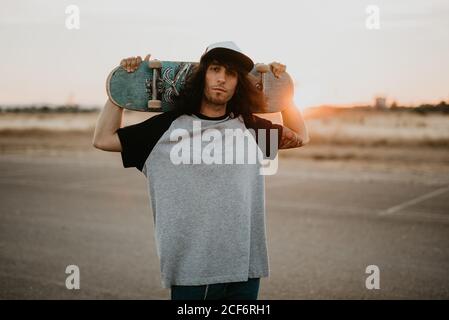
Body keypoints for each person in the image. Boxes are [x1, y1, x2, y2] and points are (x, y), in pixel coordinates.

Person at [93, 41, 309, 300]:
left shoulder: (251, 128)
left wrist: (282, 91)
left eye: (231, 74)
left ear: (238, 83)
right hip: (194, 271)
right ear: (202, 75)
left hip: (246, 269)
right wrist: (121, 90)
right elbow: (103, 139)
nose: (222, 79)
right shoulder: (166, 129)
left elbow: (300, 136)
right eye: (215, 69)